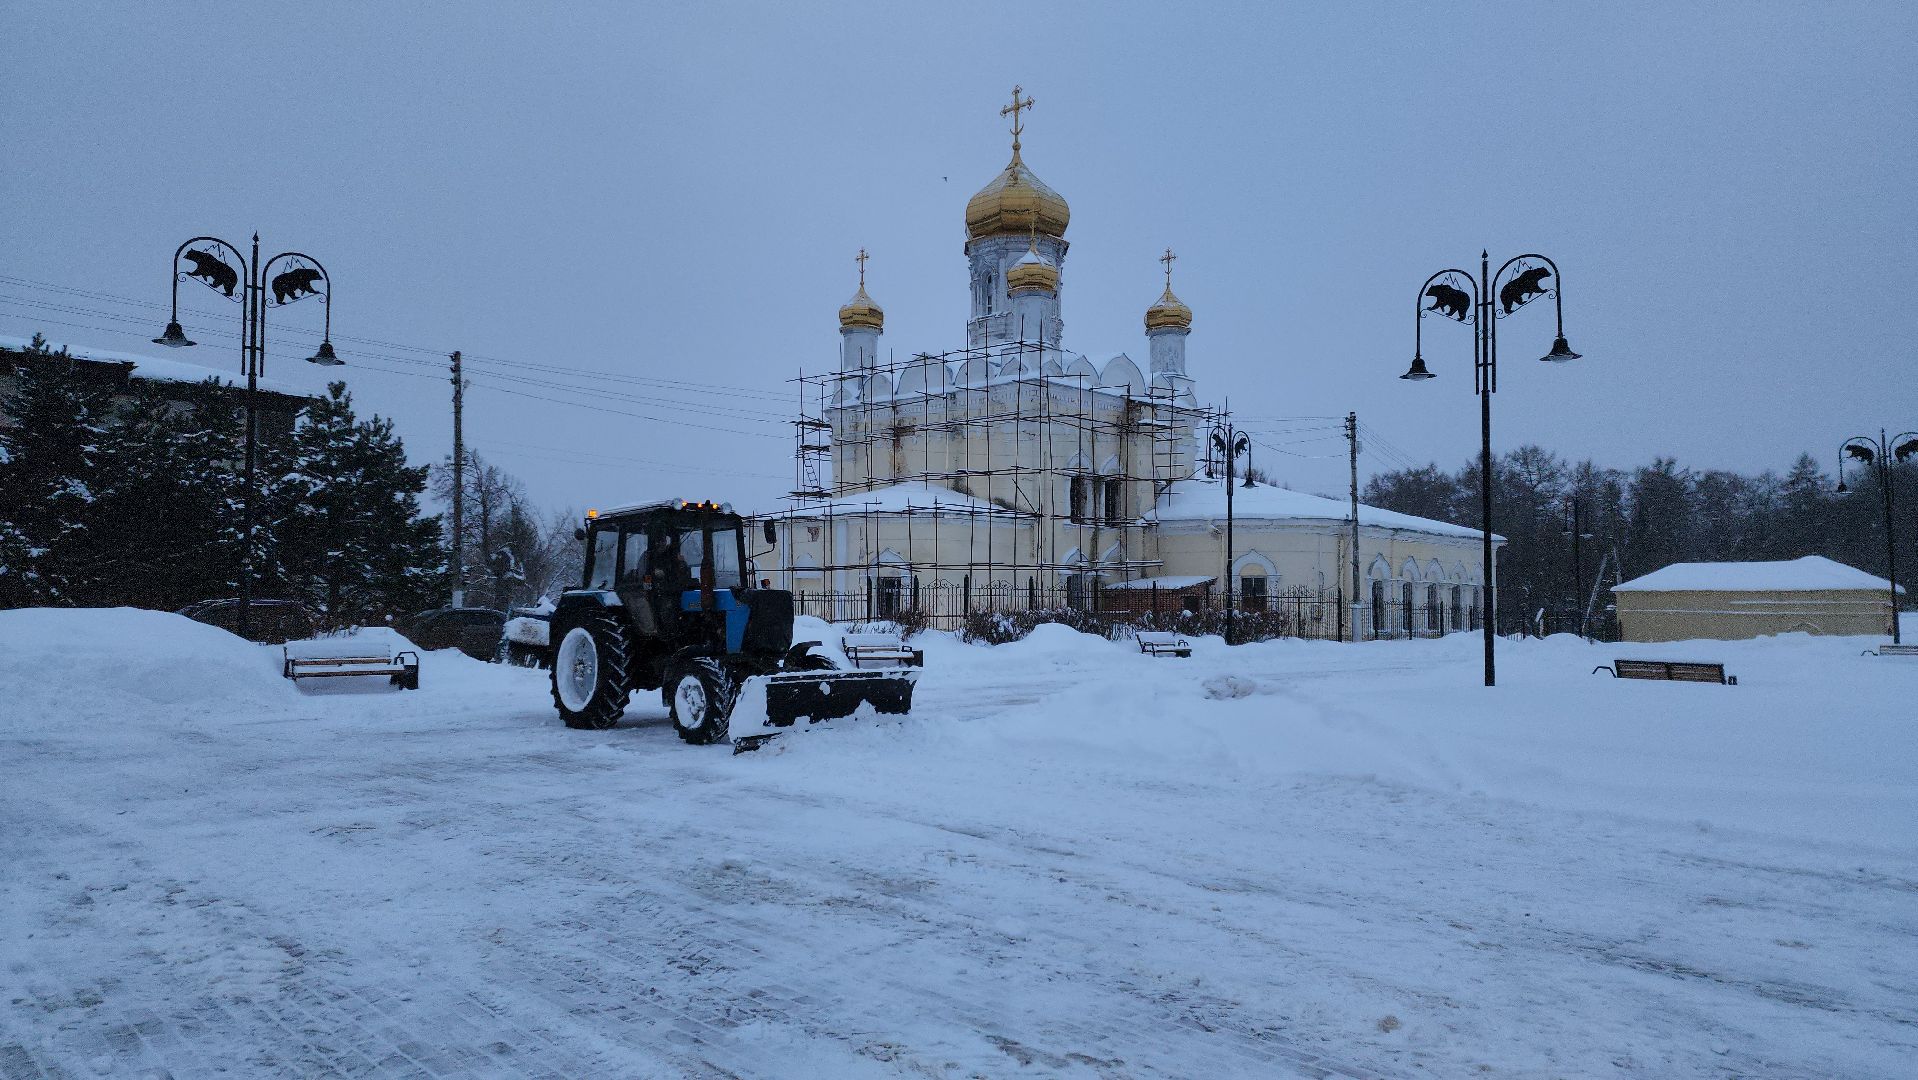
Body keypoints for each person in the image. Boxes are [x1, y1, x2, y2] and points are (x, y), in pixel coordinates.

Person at [642, 531, 692, 637]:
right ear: (655, 543)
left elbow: (683, 573)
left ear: (666, 541)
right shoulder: (650, 557)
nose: (660, 544)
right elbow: (646, 576)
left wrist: (682, 565)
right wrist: (647, 590)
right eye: (658, 542)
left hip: (674, 591)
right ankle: (667, 633)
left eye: (662, 541)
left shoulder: (673, 555)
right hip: (658, 593)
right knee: (666, 610)